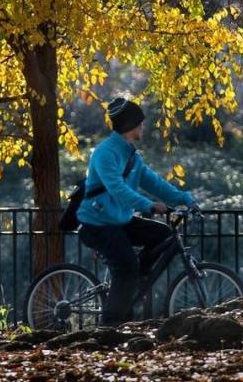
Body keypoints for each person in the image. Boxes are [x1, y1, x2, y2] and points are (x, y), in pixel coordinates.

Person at [76, 97, 197, 325]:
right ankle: (109, 328)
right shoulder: (105, 153)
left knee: (163, 235)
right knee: (126, 267)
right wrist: (148, 205)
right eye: (140, 123)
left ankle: (133, 281)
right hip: (97, 224)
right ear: (129, 125)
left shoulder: (132, 156)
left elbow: (155, 183)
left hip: (118, 220)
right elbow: (117, 189)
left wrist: (185, 199)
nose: (143, 127)